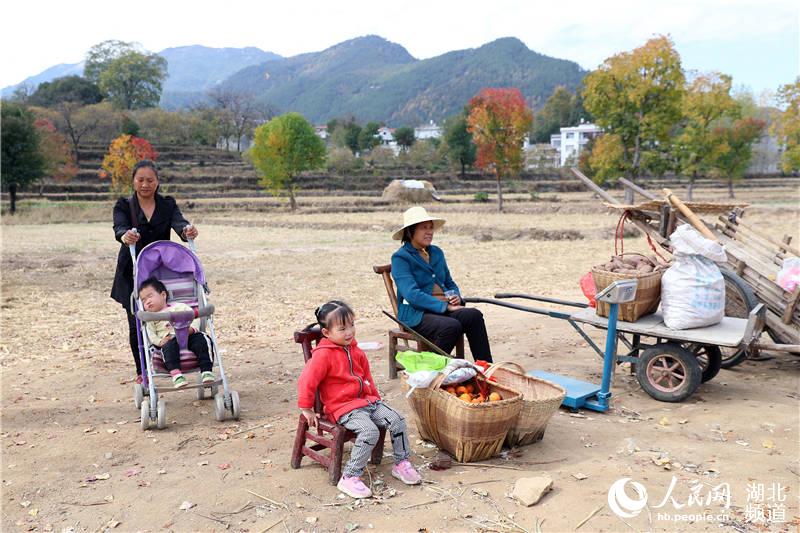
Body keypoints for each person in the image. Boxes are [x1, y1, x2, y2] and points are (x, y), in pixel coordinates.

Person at [297, 301, 421, 499]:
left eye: (352, 325)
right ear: (327, 333)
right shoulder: (322, 356)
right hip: (344, 408)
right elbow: (307, 381)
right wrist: (306, 408)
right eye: (342, 328)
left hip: (368, 402)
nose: (349, 332)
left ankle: (401, 463)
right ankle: (350, 476)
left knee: (397, 419)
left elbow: (367, 378)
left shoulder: (355, 350)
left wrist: (376, 399)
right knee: (369, 431)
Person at [110, 160, 200, 383]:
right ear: (133, 181)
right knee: (137, 322)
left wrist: (187, 230)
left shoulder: (167, 204)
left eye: (150, 180)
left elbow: (179, 223)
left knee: (168, 316)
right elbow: (119, 228)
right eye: (140, 180)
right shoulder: (124, 205)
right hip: (132, 273)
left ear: (157, 182)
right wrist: (125, 236)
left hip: (161, 274)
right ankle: (142, 371)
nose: (145, 184)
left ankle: (172, 361)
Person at [390, 206, 493, 363]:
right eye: (424, 228)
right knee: (451, 326)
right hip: (416, 313)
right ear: (410, 231)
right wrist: (446, 307)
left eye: (431, 228)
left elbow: (448, 282)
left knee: (474, 315)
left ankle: (486, 368)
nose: (429, 232)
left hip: (442, 309)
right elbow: (412, 294)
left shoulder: (436, 252)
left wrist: (456, 297)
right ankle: (430, 369)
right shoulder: (400, 258)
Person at [138, 277, 215, 387]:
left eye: (150, 296)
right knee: (167, 348)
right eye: (143, 300)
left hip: (188, 336)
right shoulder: (151, 318)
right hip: (169, 340)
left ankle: (206, 371)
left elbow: (194, 316)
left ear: (163, 295)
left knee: (202, 338)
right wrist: (160, 342)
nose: (147, 301)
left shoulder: (180, 307)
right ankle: (177, 375)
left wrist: (192, 329)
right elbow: (151, 334)